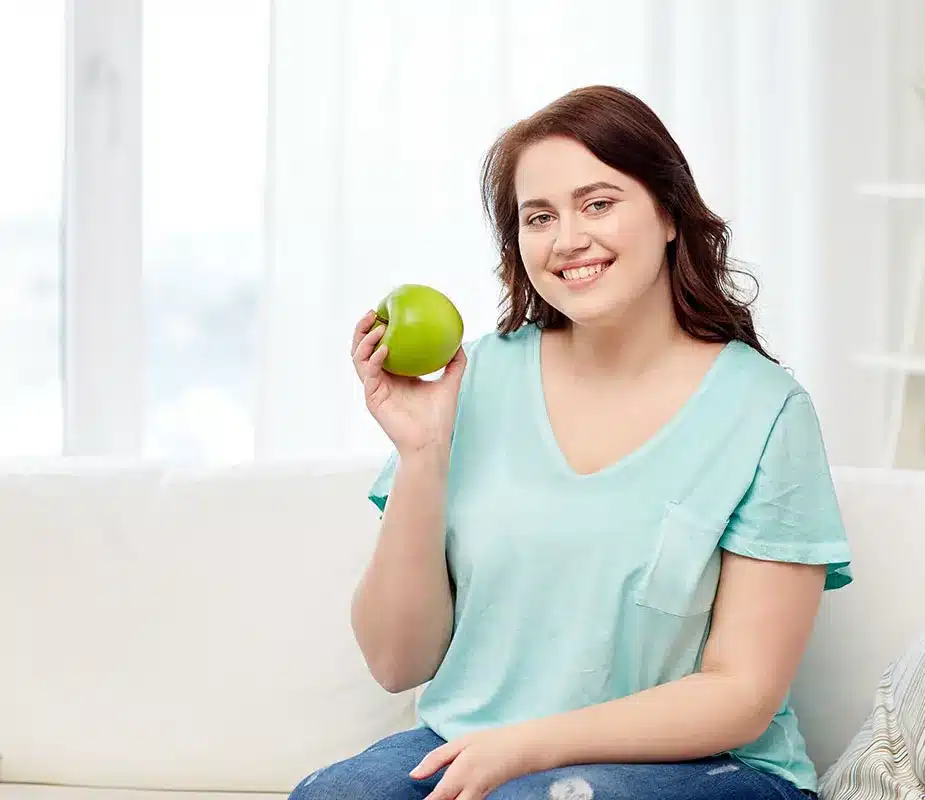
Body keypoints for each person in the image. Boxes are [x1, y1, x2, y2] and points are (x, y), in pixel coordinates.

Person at [290, 85, 852, 800]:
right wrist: (422, 456)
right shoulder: (475, 380)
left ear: (669, 213)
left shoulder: (766, 411)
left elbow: (741, 694)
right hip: (474, 741)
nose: (567, 239)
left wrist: (526, 748)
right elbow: (397, 663)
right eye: (539, 217)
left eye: (598, 203)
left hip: (703, 766)